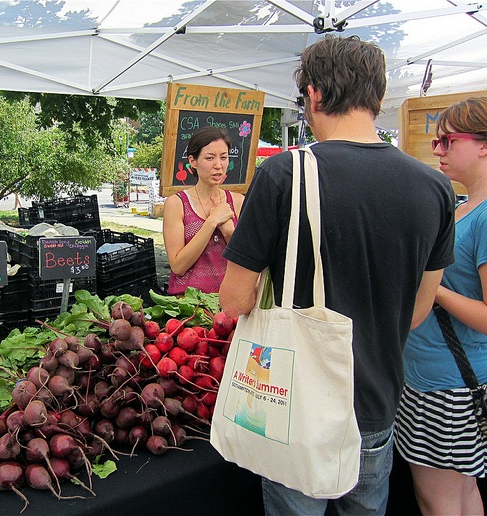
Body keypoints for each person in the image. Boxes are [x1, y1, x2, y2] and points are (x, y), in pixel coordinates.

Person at [218, 35, 456, 514]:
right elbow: (420, 308)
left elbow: (235, 300)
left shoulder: (285, 175)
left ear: (314, 96)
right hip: (376, 402)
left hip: (295, 407)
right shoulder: (435, 186)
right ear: (379, 97)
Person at [394, 97, 487, 515]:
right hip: (439, 377)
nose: (437, 150)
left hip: (452, 386)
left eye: (447, 141)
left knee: (438, 500)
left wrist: (429, 282)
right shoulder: (469, 204)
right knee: (459, 493)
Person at [163, 126, 244, 295]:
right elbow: (178, 266)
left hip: (230, 301)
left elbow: (247, 261)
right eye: (209, 158)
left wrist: (229, 232)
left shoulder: (238, 202)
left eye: (224, 157)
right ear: (193, 161)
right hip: (187, 303)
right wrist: (211, 222)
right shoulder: (177, 204)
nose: (218, 165)